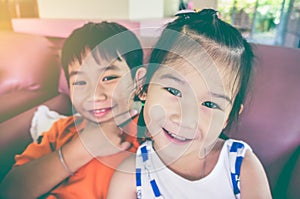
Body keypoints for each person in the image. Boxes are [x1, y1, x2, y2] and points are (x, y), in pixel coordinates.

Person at [107, 9, 272, 199]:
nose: (187, 117)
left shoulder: (241, 166)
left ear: (228, 116)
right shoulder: (130, 177)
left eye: (210, 104)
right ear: (143, 88)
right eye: (174, 91)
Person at [0, 21, 146, 199]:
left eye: (108, 77)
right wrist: (80, 150)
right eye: (80, 82)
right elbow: (9, 191)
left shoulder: (152, 135)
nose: (94, 95)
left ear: (138, 81)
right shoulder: (60, 131)